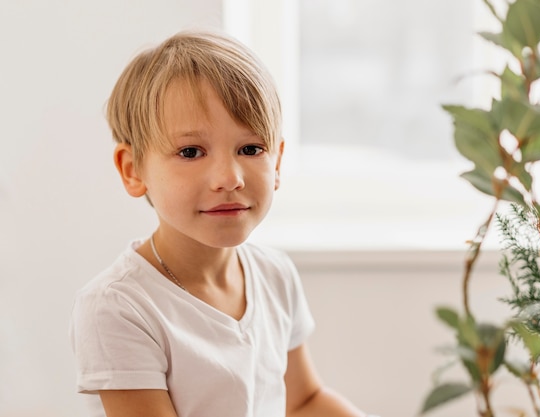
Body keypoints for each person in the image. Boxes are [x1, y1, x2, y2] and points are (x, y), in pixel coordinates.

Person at [70, 31, 373, 417]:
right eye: (191, 152)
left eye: (250, 149)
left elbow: (304, 400)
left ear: (277, 162)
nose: (229, 178)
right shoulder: (117, 307)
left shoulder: (275, 274)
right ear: (133, 171)